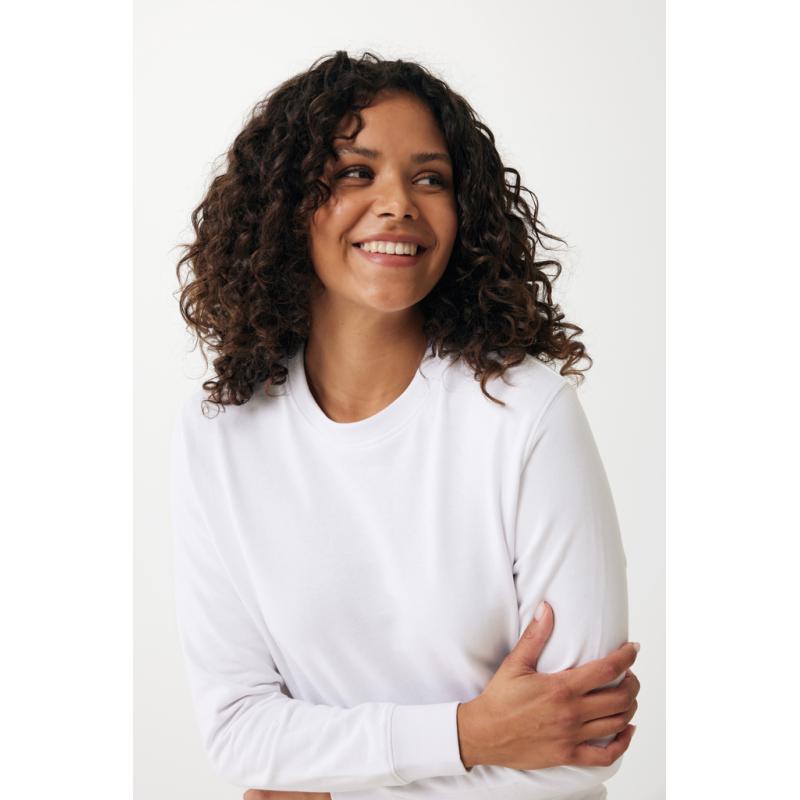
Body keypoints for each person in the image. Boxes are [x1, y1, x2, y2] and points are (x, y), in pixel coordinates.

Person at [170, 50, 641, 800]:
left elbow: (579, 747)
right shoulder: (221, 435)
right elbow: (238, 735)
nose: (398, 203)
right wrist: (471, 733)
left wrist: (323, 778)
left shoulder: (526, 413)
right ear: (285, 204)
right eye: (356, 172)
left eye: (431, 179)